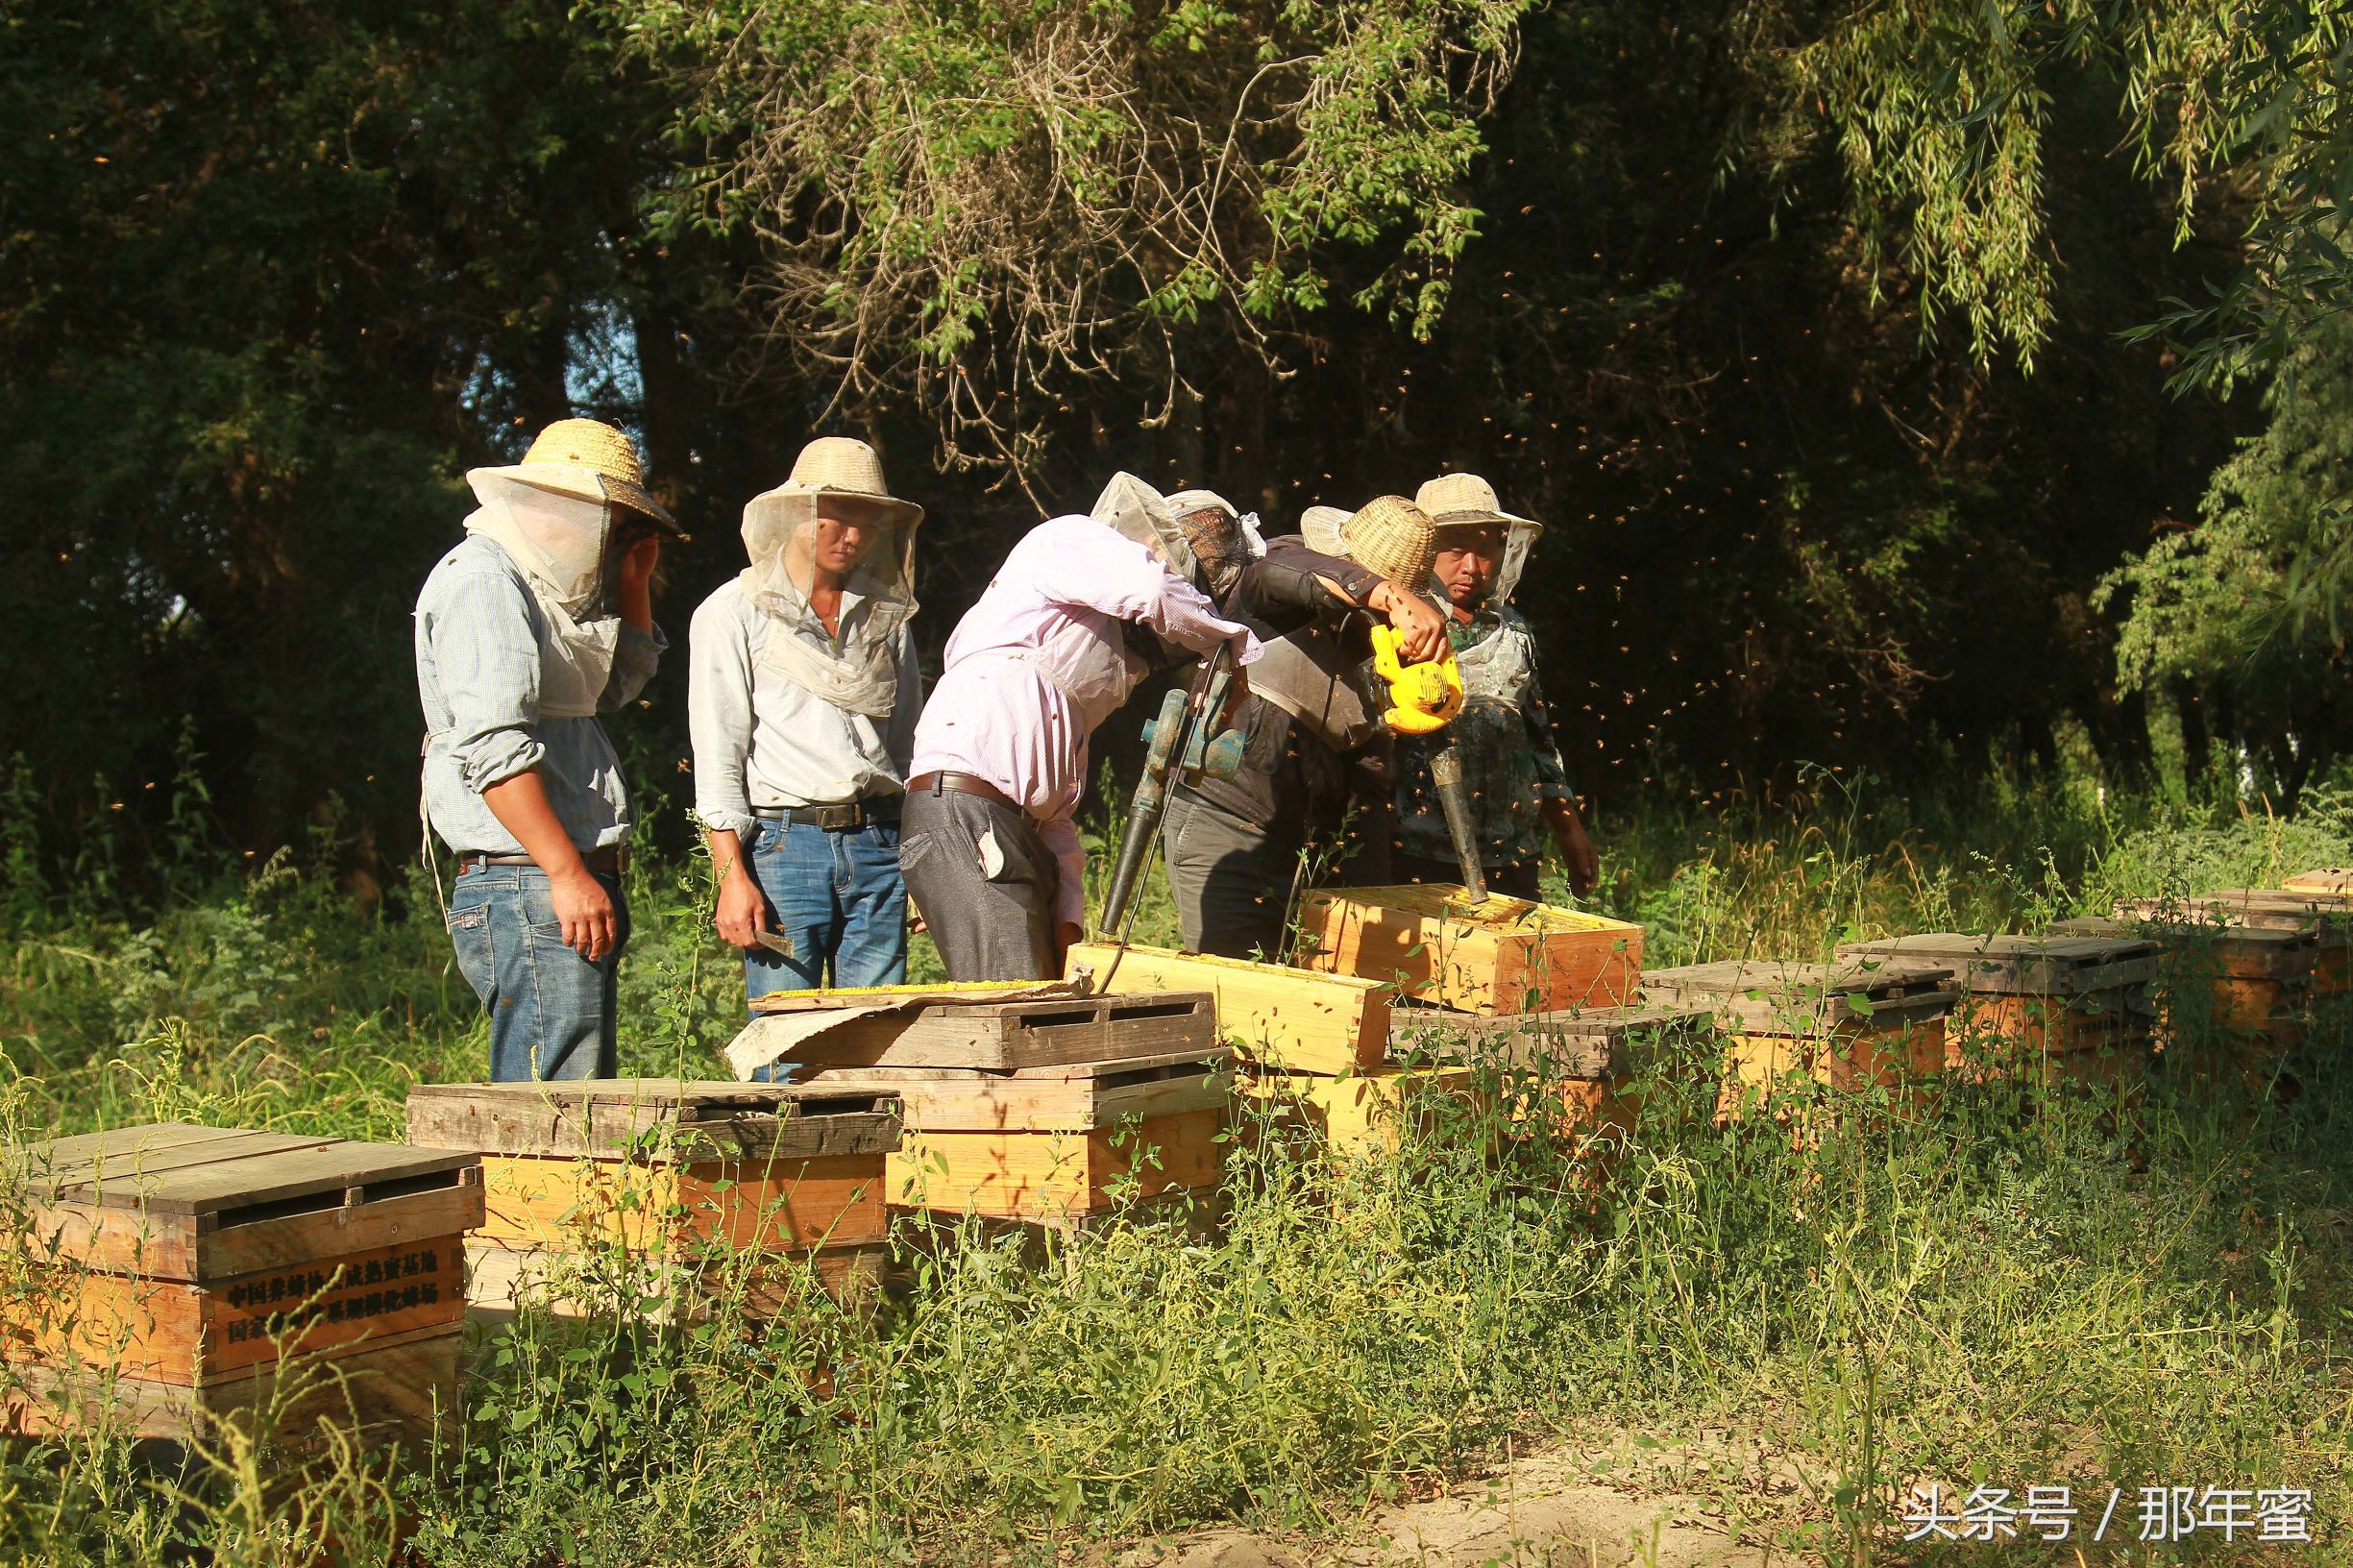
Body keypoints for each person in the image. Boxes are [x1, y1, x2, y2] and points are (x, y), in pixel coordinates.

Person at [899, 494, 1262, 980]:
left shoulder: (1061, 690)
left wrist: (1068, 928)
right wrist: (1229, 644)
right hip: (966, 813)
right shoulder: (1065, 538)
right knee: (1018, 1018)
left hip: (1001, 823)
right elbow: (1152, 592)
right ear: (1152, 542)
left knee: (1043, 1007)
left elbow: (1055, 815)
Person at [416, 418, 678, 1081]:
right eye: (614, 526)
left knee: (576, 1094)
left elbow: (608, 694)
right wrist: (565, 874)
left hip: (550, 876)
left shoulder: (542, 586)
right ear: (567, 506)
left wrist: (634, 581)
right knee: (556, 1104)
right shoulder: (483, 582)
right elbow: (495, 746)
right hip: (528, 877)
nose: (613, 542)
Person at [1160, 493, 1448, 959]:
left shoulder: (1382, 646)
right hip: (1227, 819)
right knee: (1234, 990)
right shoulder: (1278, 570)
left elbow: (1370, 767)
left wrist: (1372, 890)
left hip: (1318, 842)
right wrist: (1390, 596)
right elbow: (1278, 567)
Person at [691, 437, 923, 1010]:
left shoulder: (886, 617)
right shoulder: (732, 611)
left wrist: (921, 862)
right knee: (784, 1042)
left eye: (866, 523)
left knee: (876, 1036)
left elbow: (909, 749)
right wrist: (730, 875)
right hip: (784, 847)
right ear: (798, 515)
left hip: (879, 843)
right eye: (838, 520)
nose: (853, 537)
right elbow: (719, 754)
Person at [1390, 472, 1599, 900]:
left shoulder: (1514, 631)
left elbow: (1538, 740)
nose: (1471, 567)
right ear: (1425, 551)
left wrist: (1569, 827)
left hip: (1511, 849)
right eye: (1455, 551)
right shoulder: (1394, 625)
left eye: (1485, 551)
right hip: (1415, 848)